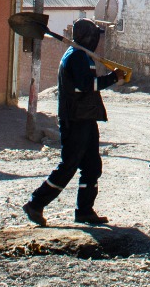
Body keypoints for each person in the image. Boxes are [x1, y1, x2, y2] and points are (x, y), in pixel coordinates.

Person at [23, 18, 124, 226]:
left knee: (92, 167)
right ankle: (36, 203)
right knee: (68, 165)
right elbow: (86, 85)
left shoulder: (80, 55)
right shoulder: (76, 57)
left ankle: (84, 211)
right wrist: (112, 78)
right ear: (88, 37)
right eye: (95, 35)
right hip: (75, 120)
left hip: (85, 118)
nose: (97, 39)